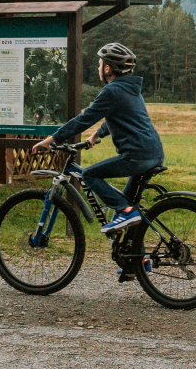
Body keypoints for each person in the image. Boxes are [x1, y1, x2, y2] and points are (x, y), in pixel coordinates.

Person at [32, 41, 164, 235]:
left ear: (108, 68)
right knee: (128, 207)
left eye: (100, 63)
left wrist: (52, 139)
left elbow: (83, 119)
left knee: (89, 175)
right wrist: (97, 133)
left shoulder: (112, 91)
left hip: (136, 156)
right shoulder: (129, 89)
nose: (98, 67)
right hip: (154, 154)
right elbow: (120, 115)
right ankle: (136, 262)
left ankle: (126, 212)